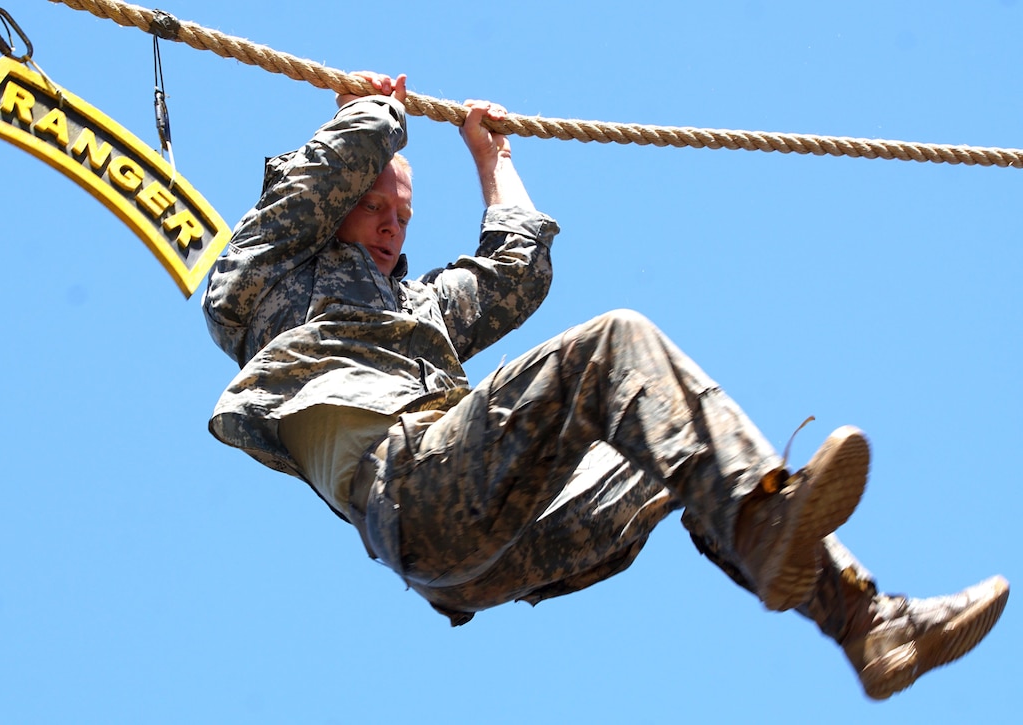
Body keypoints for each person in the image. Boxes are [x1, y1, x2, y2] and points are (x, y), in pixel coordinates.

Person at [201, 71, 1008, 700]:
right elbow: (320, 176)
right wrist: (364, 114)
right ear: (337, 199)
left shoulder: (415, 311)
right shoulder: (262, 275)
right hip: (412, 491)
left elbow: (517, 272)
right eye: (374, 205)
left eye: (404, 216)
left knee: (675, 435)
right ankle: (766, 523)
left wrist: (497, 162)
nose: (390, 226)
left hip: (495, 547)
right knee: (616, 342)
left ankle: (868, 623)